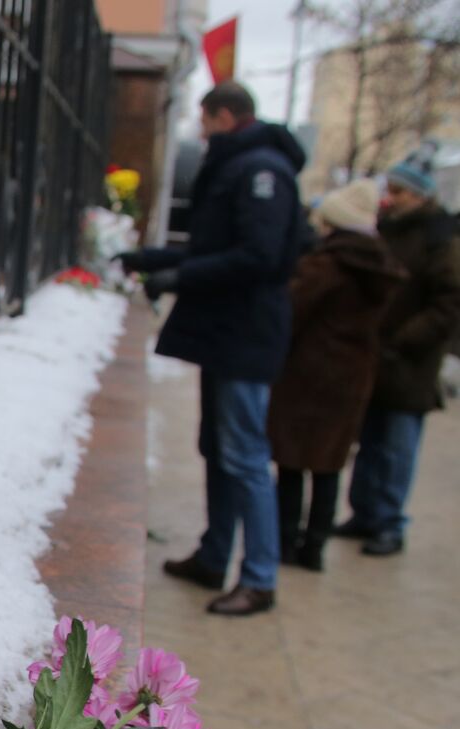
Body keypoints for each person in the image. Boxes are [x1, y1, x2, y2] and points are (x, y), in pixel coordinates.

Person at [120, 82, 306, 616]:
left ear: (224, 116)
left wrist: (178, 276)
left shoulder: (261, 170)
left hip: (245, 334)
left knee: (244, 456)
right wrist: (152, 260)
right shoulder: (239, 164)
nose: (200, 132)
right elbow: (214, 247)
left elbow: (258, 256)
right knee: (219, 449)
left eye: (203, 121)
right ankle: (214, 556)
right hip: (227, 333)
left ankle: (260, 578)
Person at [267, 180, 404, 571]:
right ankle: (315, 547)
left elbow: (290, 311)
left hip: (308, 375)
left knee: (292, 461)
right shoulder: (382, 266)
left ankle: (285, 541)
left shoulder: (327, 264)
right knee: (328, 464)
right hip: (353, 377)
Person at [338, 147, 460, 555]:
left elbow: (449, 303)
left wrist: (405, 339)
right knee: (371, 438)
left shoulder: (439, 239)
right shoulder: (388, 228)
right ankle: (364, 513)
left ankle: (389, 521)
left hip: (409, 361)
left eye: (399, 191)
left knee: (397, 444)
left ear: (421, 195)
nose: (390, 197)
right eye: (388, 189)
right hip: (377, 353)